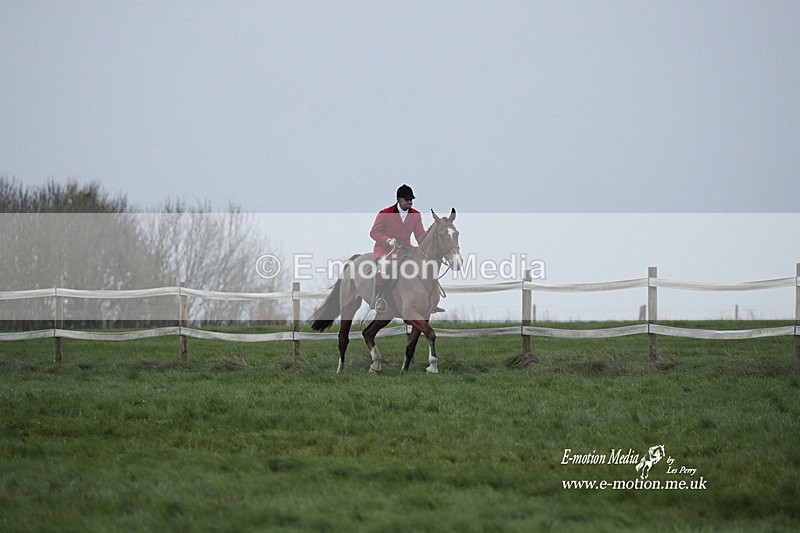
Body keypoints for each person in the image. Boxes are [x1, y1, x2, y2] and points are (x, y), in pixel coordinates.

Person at [369, 184, 426, 312]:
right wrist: (387, 240)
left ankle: (427, 299)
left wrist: (425, 244)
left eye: (411, 199)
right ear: (399, 200)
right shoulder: (384, 213)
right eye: (407, 199)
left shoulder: (416, 215)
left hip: (406, 249)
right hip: (385, 250)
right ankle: (380, 298)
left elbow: (420, 234)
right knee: (384, 267)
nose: (410, 202)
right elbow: (374, 232)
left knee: (424, 266)